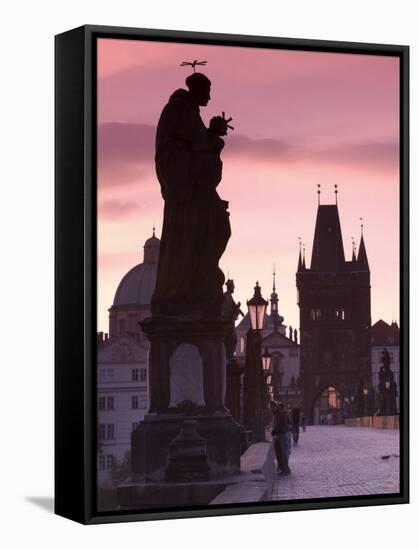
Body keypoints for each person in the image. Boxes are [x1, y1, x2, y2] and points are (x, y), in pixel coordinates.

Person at [152, 71, 232, 319]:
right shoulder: (179, 110)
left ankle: (201, 278)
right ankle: (191, 285)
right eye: (207, 90)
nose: (209, 95)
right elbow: (194, 147)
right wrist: (213, 136)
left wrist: (211, 136)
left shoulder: (188, 113)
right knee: (205, 233)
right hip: (185, 193)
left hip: (194, 190)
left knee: (217, 229)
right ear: (197, 90)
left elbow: (198, 144)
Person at [270, 401, 291, 476]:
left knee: (283, 453)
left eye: (272, 407)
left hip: (283, 434)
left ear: (275, 406)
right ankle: (283, 469)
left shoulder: (279, 414)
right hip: (281, 434)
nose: (271, 409)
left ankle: (285, 470)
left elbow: (277, 425)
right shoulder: (277, 413)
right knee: (280, 453)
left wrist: (273, 432)